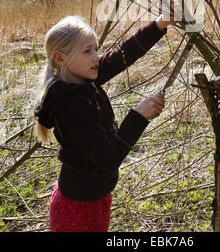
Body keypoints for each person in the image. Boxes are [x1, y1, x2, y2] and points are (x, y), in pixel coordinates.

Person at [34, 12, 174, 232]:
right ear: (60, 58)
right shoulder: (70, 106)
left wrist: (159, 24)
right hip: (77, 209)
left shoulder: (81, 79)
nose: (96, 57)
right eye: (87, 51)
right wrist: (138, 115)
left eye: (96, 49)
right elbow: (107, 158)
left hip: (94, 199)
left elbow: (123, 55)